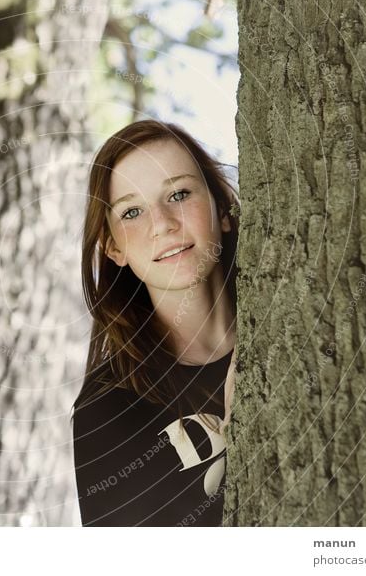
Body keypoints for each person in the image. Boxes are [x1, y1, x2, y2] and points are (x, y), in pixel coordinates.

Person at [70, 119, 240, 526]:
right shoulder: (107, 408)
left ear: (222, 211)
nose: (162, 223)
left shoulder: (298, 321)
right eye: (132, 212)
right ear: (113, 248)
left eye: (179, 194)